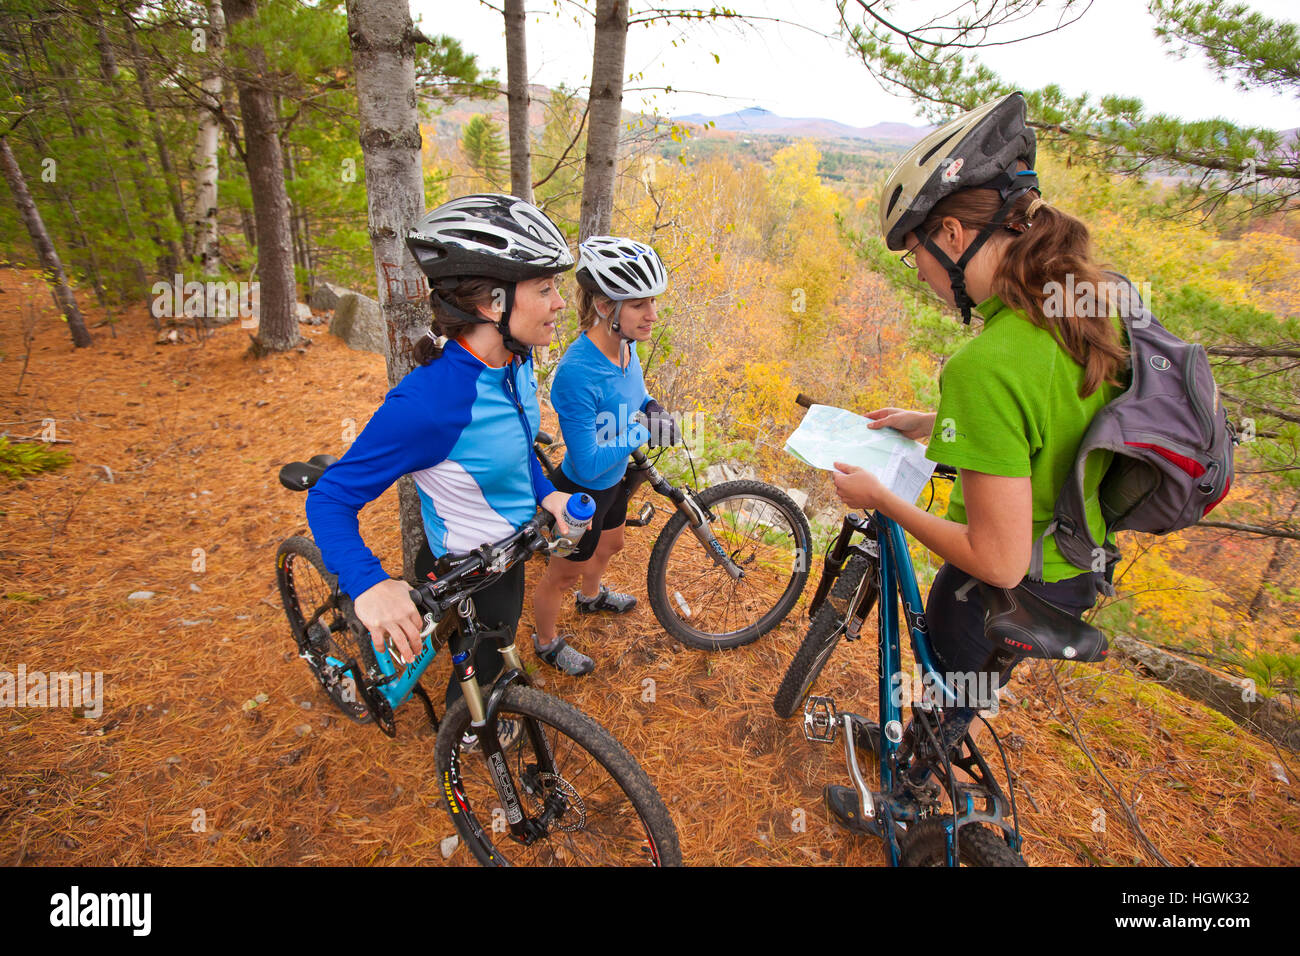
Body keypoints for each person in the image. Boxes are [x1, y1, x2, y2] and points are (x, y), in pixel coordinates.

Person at [826, 93, 1130, 813]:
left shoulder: (986, 362)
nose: (920, 278)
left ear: (955, 235)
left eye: (917, 257)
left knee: (952, 677)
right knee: (956, 686)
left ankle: (901, 803)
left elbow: (994, 559)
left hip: (1005, 583)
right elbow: (1046, 420)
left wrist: (883, 500)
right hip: (1072, 565)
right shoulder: (1080, 308)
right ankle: (917, 743)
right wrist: (934, 420)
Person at [304, 193, 580, 739]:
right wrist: (367, 584)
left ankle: (479, 715)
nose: (560, 304)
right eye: (545, 289)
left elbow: (517, 447)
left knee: (495, 643)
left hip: (509, 553)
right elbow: (330, 498)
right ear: (491, 304)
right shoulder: (431, 405)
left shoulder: (516, 362)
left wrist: (546, 494)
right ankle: (470, 730)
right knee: (473, 661)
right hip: (459, 566)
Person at [530, 236, 679, 676]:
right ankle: (546, 642)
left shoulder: (626, 346)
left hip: (615, 482)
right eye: (637, 304)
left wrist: (651, 407)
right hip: (580, 492)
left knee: (612, 543)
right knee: (561, 575)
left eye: (651, 301)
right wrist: (641, 428)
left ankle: (591, 598)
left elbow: (637, 395)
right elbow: (589, 460)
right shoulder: (576, 373)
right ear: (603, 306)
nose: (651, 314)